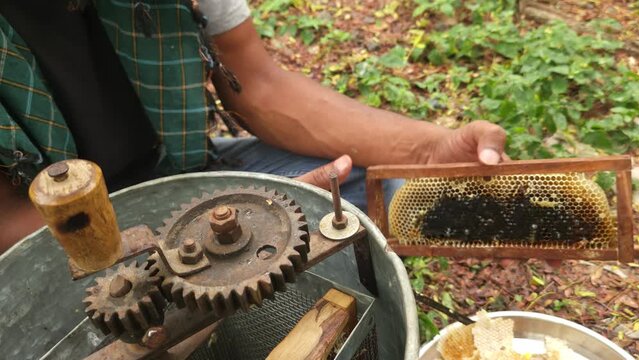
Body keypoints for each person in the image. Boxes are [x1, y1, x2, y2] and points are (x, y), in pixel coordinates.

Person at [0, 0, 507, 253]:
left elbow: (259, 86)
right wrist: (188, 239)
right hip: (51, 235)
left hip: (178, 168)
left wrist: (427, 152)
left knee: (378, 191)